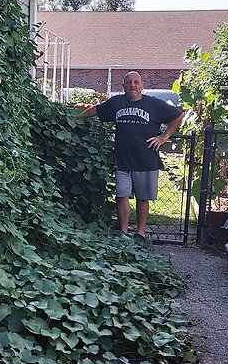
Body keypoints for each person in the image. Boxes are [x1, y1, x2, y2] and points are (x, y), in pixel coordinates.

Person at [78, 72, 184, 242]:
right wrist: (75, 117)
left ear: (142, 85)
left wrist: (164, 137)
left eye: (136, 82)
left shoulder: (154, 104)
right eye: (129, 82)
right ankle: (123, 232)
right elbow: (97, 110)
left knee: (143, 198)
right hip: (122, 158)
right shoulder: (117, 102)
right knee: (121, 195)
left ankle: (140, 233)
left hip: (146, 158)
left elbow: (177, 115)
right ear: (123, 86)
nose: (133, 85)